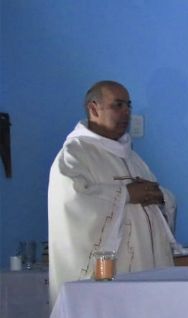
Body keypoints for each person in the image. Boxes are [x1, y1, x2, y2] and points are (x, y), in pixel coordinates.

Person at [48, 80, 178, 304]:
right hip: (110, 275)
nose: (126, 112)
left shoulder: (131, 157)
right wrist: (126, 194)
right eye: (117, 105)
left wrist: (162, 197)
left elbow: (155, 195)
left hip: (145, 269)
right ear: (93, 108)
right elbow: (73, 201)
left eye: (128, 105)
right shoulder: (75, 154)